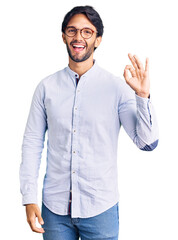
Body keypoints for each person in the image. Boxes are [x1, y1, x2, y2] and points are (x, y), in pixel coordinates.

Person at [19, 5, 159, 240]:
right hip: (54, 210)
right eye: (72, 31)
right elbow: (32, 143)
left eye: (87, 32)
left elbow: (147, 143)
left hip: (100, 208)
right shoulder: (46, 88)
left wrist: (142, 97)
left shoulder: (117, 88)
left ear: (98, 39)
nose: (78, 37)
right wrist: (29, 197)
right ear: (63, 36)